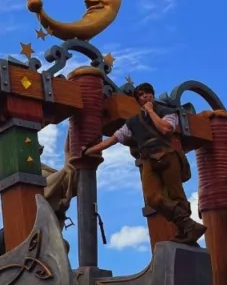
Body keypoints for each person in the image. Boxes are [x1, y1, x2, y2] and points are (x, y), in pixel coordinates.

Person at [86, 82, 207, 244]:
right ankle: (188, 225)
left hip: (168, 155)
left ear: (152, 94)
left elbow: (165, 129)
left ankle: (184, 230)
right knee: (152, 198)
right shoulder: (133, 122)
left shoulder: (167, 111)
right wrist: (89, 150)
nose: (145, 96)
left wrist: (151, 111)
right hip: (149, 159)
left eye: (148, 93)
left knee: (177, 195)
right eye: (141, 95)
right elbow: (114, 139)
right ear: (138, 99)